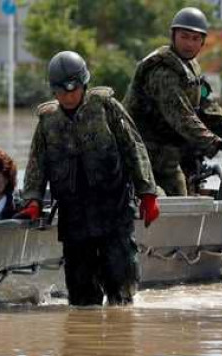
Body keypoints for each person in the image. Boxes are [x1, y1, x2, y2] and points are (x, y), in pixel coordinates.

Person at [22, 51, 159, 307]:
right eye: (60, 91)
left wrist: (147, 193)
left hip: (113, 208)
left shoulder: (105, 106)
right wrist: (33, 200)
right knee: (81, 294)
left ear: (84, 84)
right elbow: (36, 165)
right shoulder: (48, 121)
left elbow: (134, 147)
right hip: (74, 216)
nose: (67, 96)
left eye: (72, 89)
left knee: (121, 281)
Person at [126, 7, 222, 196]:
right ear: (173, 36)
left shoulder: (189, 67)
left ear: (202, 42)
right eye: (184, 37)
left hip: (167, 155)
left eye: (195, 39)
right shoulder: (162, 71)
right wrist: (216, 143)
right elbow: (182, 116)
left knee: (182, 198)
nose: (189, 44)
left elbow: (206, 106)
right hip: (141, 156)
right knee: (166, 203)